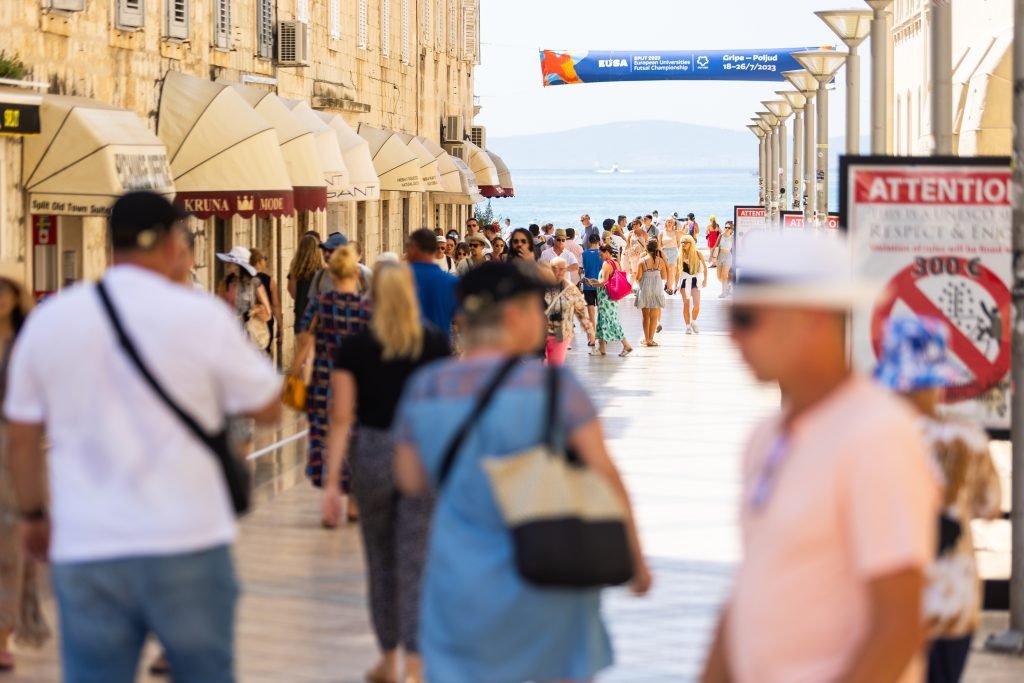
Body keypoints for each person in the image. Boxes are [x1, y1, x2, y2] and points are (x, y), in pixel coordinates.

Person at [6, 191, 282, 683]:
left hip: (90, 544)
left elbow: (23, 436)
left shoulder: (53, 320)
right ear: (175, 243)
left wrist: (32, 516)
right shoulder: (203, 317)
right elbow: (267, 407)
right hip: (189, 540)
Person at [391, 261, 652, 683]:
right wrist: (635, 558)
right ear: (513, 317)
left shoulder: (427, 387)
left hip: (459, 588)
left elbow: (409, 480)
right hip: (548, 579)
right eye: (536, 308)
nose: (543, 318)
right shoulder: (555, 389)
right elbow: (605, 473)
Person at [700, 230, 938, 683]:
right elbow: (751, 589)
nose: (732, 336)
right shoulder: (766, 437)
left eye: (747, 318)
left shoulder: (876, 436)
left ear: (810, 320)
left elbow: (899, 625)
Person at [323, 262, 451, 683]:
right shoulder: (434, 344)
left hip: (374, 454)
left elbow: (340, 417)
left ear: (371, 296)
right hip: (421, 454)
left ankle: (389, 659)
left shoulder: (355, 347)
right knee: (417, 561)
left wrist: (331, 485)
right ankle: (417, 662)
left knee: (381, 562)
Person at [873, 317, 1002, 683]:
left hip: (888, 604)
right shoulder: (967, 439)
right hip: (952, 602)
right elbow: (989, 506)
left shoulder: (872, 438)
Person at [291, 245, 370, 521]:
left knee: (324, 439)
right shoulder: (366, 309)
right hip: (357, 385)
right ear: (357, 275)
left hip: (324, 379)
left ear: (332, 274)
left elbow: (304, 339)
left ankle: (331, 493)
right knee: (354, 439)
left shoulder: (321, 303)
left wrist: (292, 373)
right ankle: (353, 503)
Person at [0, 265, 48, 672]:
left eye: (5, 293)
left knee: (9, 551)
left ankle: (3, 635)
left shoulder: (26, 345)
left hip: (12, 451)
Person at [405, 228, 459, 339]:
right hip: (441, 347)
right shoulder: (451, 282)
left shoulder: (401, 278)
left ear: (414, 248)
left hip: (409, 346)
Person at [545, 257, 595, 365]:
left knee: (554, 365)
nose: (558, 271)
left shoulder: (571, 289)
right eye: (555, 268)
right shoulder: (540, 286)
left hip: (561, 332)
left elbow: (581, 311)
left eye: (562, 269)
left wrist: (589, 330)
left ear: (566, 269)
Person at [593, 244, 634, 357]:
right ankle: (601, 349)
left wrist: (592, 283)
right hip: (612, 297)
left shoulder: (606, 264)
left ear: (607, 252)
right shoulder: (616, 263)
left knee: (611, 321)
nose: (600, 256)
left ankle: (626, 344)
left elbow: (604, 282)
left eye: (601, 254)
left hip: (605, 297)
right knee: (604, 320)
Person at [288, 233, 325, 334]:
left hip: (301, 314)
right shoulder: (322, 270)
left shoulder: (295, 269)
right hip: (318, 317)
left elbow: (292, 292)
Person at [634, 239, 668, 347]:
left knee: (645, 316)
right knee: (654, 316)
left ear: (646, 249)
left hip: (645, 288)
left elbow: (638, 277)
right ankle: (651, 339)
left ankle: (646, 339)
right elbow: (664, 277)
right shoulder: (660, 261)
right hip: (657, 288)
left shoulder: (642, 261)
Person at [249, 248, 282, 355]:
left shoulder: (245, 278)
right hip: (265, 323)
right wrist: (280, 327)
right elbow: (276, 305)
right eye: (265, 259)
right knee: (263, 354)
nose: (266, 261)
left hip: (248, 321)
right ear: (258, 262)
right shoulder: (269, 280)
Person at [678, 235, 708, 335]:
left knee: (697, 304)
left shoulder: (697, 253)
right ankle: (687, 326)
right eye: (682, 242)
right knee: (686, 304)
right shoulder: (680, 255)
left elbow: (705, 267)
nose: (683, 244)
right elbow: (676, 271)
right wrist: (674, 285)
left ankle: (694, 321)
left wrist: (705, 280)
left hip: (695, 279)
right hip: (684, 281)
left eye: (686, 242)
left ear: (691, 243)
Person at [581, 233, 604, 341]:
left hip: (587, 286)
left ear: (589, 242)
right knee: (602, 312)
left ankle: (592, 337)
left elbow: (581, 270)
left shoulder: (584, 254)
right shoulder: (601, 254)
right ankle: (603, 335)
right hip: (600, 285)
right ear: (599, 242)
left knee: (591, 313)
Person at [660, 216, 682, 295]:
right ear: (666, 222)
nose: (670, 223)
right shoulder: (662, 232)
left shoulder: (676, 232)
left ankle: (669, 288)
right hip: (664, 252)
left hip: (673, 252)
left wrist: (681, 254)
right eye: (668, 222)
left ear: (673, 223)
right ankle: (667, 285)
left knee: (671, 269)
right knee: (666, 271)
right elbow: (659, 245)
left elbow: (679, 244)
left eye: (671, 222)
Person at [624, 220, 648, 286]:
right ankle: (636, 286)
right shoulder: (631, 233)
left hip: (642, 255)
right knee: (635, 272)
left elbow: (647, 244)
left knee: (642, 271)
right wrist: (624, 253)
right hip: (633, 256)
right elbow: (627, 244)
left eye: (636, 224)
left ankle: (641, 286)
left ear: (640, 225)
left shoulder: (644, 233)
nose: (634, 226)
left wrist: (647, 253)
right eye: (633, 224)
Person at [717, 223, 736, 298]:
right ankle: (727, 286)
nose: (727, 229)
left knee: (724, 276)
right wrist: (711, 256)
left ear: (731, 229)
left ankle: (723, 293)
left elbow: (734, 249)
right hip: (720, 256)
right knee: (719, 277)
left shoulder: (732, 237)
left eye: (729, 228)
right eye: (726, 227)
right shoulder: (721, 235)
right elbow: (716, 245)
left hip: (728, 256)